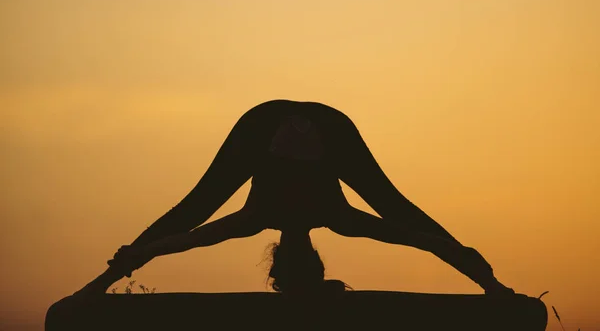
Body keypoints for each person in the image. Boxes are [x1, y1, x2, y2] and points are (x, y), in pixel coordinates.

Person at [74, 99, 514, 296]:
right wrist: (485, 278)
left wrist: (106, 278)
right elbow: (418, 233)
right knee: (395, 206)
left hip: (269, 125)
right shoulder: (334, 218)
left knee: (196, 206)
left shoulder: (260, 219)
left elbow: (179, 235)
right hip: (311, 125)